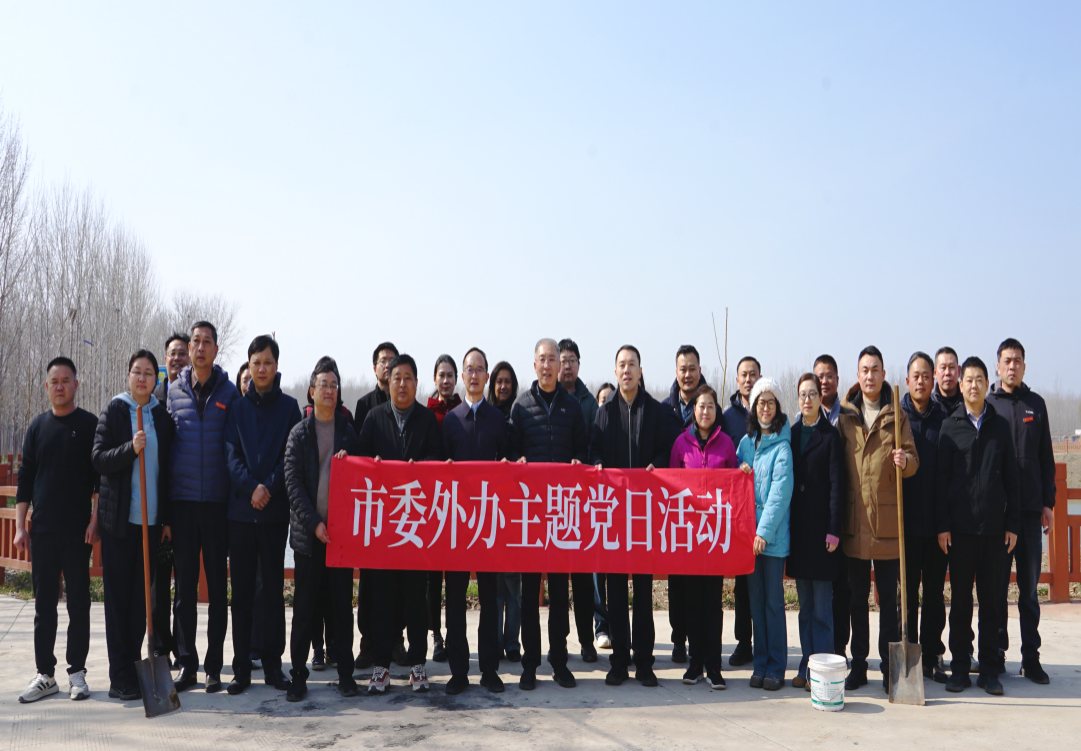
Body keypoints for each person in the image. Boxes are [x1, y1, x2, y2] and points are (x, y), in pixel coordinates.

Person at [507, 338, 591, 691]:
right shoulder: (520, 406)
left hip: (561, 514)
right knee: (529, 595)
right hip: (530, 516)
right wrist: (518, 463)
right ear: (535, 365)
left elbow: (584, 451)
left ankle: (559, 661)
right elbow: (510, 455)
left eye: (552, 359)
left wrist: (578, 463)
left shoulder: (572, 407)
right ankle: (530, 664)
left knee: (559, 593)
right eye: (541, 359)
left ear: (560, 365)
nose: (547, 365)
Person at [91, 350, 175, 701]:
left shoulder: (161, 417)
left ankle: (134, 667)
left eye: (148, 373)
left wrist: (166, 519)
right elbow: (99, 459)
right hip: (120, 525)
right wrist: (130, 448)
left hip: (150, 524)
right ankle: (119, 676)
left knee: (142, 603)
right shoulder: (115, 410)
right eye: (137, 372)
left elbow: (167, 472)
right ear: (128, 376)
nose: (142, 378)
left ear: (156, 379)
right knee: (118, 601)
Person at [357, 353, 443, 695]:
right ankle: (381, 667)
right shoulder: (374, 418)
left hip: (416, 526)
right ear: (388, 383)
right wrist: (372, 464)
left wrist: (419, 467)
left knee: (416, 599)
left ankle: (417, 665)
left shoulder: (427, 420)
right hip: (384, 527)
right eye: (397, 378)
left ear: (417, 383)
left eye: (408, 378)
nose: (402, 384)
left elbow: (437, 460)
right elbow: (361, 461)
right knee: (382, 599)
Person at [14, 357, 99, 703]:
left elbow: (99, 480)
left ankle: (77, 672)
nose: (60, 386)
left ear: (76, 385)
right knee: (44, 605)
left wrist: (94, 520)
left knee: (79, 603)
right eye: (54, 381)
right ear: (47, 387)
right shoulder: (37, 428)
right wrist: (20, 527)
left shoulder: (90, 425)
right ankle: (45, 675)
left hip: (78, 531)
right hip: (43, 530)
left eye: (66, 380)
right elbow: (25, 479)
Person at [591, 345, 675, 688]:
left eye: (632, 365)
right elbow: (594, 450)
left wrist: (657, 465)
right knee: (615, 592)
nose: (626, 370)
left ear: (641, 371)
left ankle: (644, 662)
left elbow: (666, 450)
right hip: (613, 516)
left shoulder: (654, 410)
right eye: (621, 365)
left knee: (642, 592)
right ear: (615, 372)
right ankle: (619, 662)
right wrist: (597, 464)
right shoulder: (604, 413)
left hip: (643, 516)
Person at [837, 346, 918, 693]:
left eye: (875, 370)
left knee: (888, 601)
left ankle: (889, 667)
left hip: (886, 524)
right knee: (857, 600)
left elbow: (913, 459)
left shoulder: (897, 415)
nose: (870, 376)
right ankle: (859, 665)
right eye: (864, 370)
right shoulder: (845, 416)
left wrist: (905, 461)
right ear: (857, 376)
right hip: (855, 522)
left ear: (884, 375)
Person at [937, 356, 1020, 696]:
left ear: (988, 384)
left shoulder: (999, 427)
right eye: (968, 379)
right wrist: (943, 526)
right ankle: (959, 668)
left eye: (979, 379)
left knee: (991, 603)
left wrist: (1012, 523)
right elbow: (941, 482)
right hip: (959, 532)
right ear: (961, 385)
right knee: (960, 604)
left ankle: (988, 670)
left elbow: (1012, 479)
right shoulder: (950, 426)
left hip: (993, 531)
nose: (974, 385)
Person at [223, 335, 301, 695]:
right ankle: (241, 668)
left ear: (276, 366)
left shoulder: (289, 408)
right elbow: (231, 456)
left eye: (268, 362)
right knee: (240, 594)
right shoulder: (236, 408)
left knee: (272, 592)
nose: (262, 368)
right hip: (241, 514)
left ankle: (272, 665)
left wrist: (267, 487)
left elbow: (290, 457)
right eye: (256, 362)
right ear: (249, 366)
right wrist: (251, 487)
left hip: (273, 514)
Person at [166, 321, 241, 694]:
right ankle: (187, 664)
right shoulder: (173, 391)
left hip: (216, 503)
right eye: (194, 341)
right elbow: (166, 450)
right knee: (184, 592)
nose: (199, 347)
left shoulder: (229, 392)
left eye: (206, 342)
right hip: (182, 505)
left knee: (216, 591)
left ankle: (213, 666)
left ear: (215, 349)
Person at [283, 357, 360, 701]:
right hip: (309, 539)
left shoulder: (348, 432)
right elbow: (293, 484)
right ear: (312, 391)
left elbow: (362, 480)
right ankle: (298, 676)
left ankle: (346, 674)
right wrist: (314, 523)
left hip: (340, 538)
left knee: (342, 609)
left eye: (334, 385)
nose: (329, 390)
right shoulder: (300, 433)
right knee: (304, 610)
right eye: (323, 385)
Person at [987, 338, 1055, 684]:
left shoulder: (1036, 405)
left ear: (1024, 367)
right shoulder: (988, 406)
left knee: (1029, 590)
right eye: (1007, 360)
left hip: (1029, 513)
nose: (1012, 366)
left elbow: (1046, 459)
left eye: (1017, 361)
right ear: (997, 366)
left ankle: (1031, 658)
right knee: (996, 591)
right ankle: (997, 654)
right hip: (997, 516)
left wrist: (1048, 503)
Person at [440, 347, 508, 694]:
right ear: (462, 376)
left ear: (487, 376)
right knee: (454, 599)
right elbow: (438, 473)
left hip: (489, 522)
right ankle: (458, 671)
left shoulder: (498, 420)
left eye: (480, 369)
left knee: (489, 598)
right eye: (469, 369)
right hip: (456, 524)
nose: (475, 375)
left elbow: (510, 469)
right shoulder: (451, 420)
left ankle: (489, 669)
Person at [669, 385, 737, 690]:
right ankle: (695, 663)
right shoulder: (681, 444)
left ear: (715, 410)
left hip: (715, 535)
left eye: (710, 406)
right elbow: (671, 486)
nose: (705, 411)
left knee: (712, 602)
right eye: (701, 406)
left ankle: (714, 665)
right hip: (689, 535)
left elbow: (735, 488)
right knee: (692, 601)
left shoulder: (727, 444)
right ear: (693, 410)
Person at [785, 374, 843, 690]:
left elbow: (837, 487)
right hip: (799, 534)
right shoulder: (791, 434)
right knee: (804, 608)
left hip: (822, 537)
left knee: (822, 610)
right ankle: (806, 666)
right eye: (802, 394)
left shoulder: (830, 436)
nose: (807, 400)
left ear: (821, 398)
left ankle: (822, 671)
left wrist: (834, 530)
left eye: (812, 394)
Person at [736, 377, 793, 691]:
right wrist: (740, 470)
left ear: (778, 407)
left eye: (771, 402)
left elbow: (779, 495)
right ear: (754, 407)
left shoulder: (783, 447)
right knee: (755, 605)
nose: (766, 408)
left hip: (771, 540)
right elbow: (732, 479)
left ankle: (776, 666)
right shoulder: (746, 444)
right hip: (748, 540)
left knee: (773, 604)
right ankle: (760, 664)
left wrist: (763, 533)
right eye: (761, 402)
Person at [900, 352, 948, 683]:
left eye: (926, 376)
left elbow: (949, 477)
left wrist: (945, 524)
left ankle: (932, 657)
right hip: (905, 526)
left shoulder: (944, 419)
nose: (921, 381)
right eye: (915, 376)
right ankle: (909, 658)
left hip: (935, 526)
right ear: (907, 381)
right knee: (906, 597)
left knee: (933, 596)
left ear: (933, 381)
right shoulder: (897, 418)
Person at [661, 345, 708, 664]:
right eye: (683, 369)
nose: (687, 374)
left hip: (705, 511)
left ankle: (700, 640)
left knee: (702, 582)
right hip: (674, 509)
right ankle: (679, 638)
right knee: (676, 580)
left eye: (692, 368)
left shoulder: (710, 405)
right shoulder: (665, 409)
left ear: (700, 370)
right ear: (676, 372)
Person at [150, 333, 188, 666]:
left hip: (187, 504)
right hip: (159, 506)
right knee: (159, 583)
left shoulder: (195, 398)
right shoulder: (154, 402)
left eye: (182, 353)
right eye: (172, 353)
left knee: (185, 583)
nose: (177, 358)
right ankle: (160, 647)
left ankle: (183, 649)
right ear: (165, 359)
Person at [721, 355, 760, 667]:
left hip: (765, 507)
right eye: (744, 375)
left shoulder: (769, 412)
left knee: (766, 583)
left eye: (753, 374)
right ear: (737, 380)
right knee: (742, 581)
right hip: (737, 512)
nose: (748, 380)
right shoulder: (727, 416)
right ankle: (743, 643)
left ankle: (765, 643)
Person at [425, 354, 462, 663]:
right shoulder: (426, 414)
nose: (446, 380)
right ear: (435, 379)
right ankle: (435, 634)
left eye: (451, 375)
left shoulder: (464, 411)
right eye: (442, 375)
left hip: (461, 505)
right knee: (432, 578)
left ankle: (453, 633)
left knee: (456, 577)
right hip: (432, 505)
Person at [813, 354, 849, 659]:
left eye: (828, 376)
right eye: (819, 376)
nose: (823, 381)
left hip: (844, 515)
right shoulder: (803, 420)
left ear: (837, 379)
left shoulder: (849, 417)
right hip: (814, 519)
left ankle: (840, 648)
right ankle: (818, 650)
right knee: (818, 590)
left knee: (844, 588)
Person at [486, 360, 521, 660]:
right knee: (495, 586)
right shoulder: (486, 415)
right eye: (499, 381)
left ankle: (512, 643)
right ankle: (495, 642)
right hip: (491, 509)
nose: (503, 386)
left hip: (517, 509)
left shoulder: (520, 414)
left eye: (508, 381)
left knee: (514, 585)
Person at [591, 381, 617, 650]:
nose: (607, 403)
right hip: (598, 508)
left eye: (611, 399)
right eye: (602, 399)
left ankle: (619, 628)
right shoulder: (595, 426)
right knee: (597, 572)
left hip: (623, 509)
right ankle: (600, 626)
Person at [558, 338, 599, 437]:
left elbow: (595, 438)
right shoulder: (548, 397)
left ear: (578, 365)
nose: (567, 366)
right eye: (563, 361)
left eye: (572, 361)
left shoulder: (590, 402)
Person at [354, 342, 398, 429]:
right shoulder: (364, 404)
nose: (387, 365)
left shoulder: (403, 401)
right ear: (375, 369)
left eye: (392, 361)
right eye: (383, 361)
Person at [932, 346, 962, 415]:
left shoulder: (968, 404)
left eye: (951, 367)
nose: (947, 373)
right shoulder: (929, 406)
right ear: (935, 372)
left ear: (959, 371)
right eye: (943, 367)